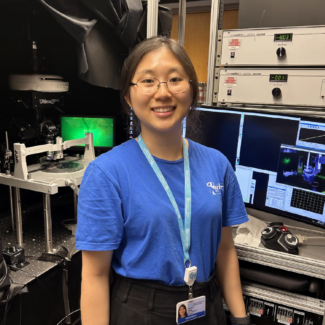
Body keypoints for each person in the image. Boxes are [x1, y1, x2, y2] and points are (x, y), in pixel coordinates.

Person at [76, 36, 250, 325]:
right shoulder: (107, 172)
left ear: (193, 91)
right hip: (141, 309)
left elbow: (225, 249)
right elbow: (94, 275)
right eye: (148, 81)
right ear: (129, 96)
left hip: (207, 305)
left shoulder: (217, 164)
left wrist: (241, 318)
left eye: (175, 79)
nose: (163, 92)